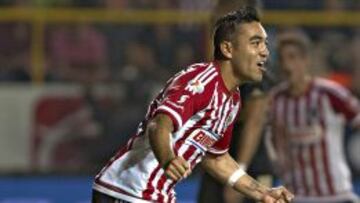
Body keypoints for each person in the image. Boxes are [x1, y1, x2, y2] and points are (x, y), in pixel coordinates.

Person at [92, 7, 294, 203]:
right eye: (255, 43)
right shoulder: (201, 82)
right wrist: (169, 159)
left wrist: (263, 192)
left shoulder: (232, 101)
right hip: (127, 191)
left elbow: (216, 159)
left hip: (154, 195)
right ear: (227, 49)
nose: (265, 52)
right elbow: (159, 124)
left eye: (265, 44)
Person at [264, 31, 360, 203]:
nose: (287, 65)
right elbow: (270, 141)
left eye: (293, 58)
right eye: (283, 59)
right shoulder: (275, 100)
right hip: (297, 196)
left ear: (305, 60)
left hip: (336, 195)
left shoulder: (331, 94)